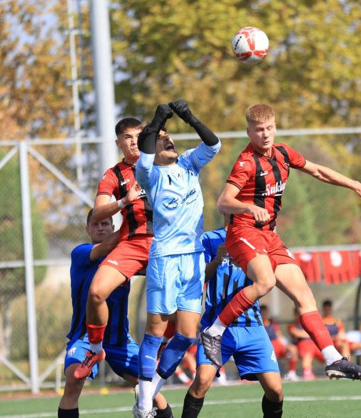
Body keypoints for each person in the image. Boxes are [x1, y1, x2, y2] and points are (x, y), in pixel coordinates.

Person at [200, 103, 361, 380]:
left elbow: (319, 171)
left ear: (275, 126)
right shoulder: (246, 162)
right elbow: (223, 201)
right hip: (243, 232)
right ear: (249, 131)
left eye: (269, 128)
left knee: (304, 295)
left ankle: (333, 358)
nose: (265, 134)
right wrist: (249, 208)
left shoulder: (284, 153)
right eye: (259, 130)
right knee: (265, 282)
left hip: (269, 235)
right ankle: (214, 331)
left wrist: (356, 184)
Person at [131, 100, 221, 418]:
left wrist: (190, 117)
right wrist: (156, 120)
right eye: (161, 138)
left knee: (185, 335)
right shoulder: (149, 175)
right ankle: (144, 406)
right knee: (156, 333)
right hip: (165, 259)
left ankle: (148, 394)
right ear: (151, 148)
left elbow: (213, 143)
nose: (168, 140)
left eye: (170, 137)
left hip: (194, 261)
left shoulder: (188, 164)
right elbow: (143, 151)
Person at [58, 211, 171, 418]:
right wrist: (135, 226)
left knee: (150, 387)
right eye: (95, 224)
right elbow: (106, 247)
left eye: (105, 224)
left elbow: (155, 266)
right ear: (87, 229)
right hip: (85, 337)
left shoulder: (127, 258)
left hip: (119, 340)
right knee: (73, 380)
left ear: (112, 227)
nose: (100, 228)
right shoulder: (81, 253)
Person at [77, 117, 152, 379]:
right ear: (118, 142)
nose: (134, 142)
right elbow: (98, 211)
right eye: (128, 137)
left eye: (138, 136)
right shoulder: (114, 175)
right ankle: (95, 349)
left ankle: (198, 338)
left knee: (181, 305)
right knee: (96, 292)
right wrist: (123, 201)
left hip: (163, 243)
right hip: (131, 243)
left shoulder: (161, 163)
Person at [182, 226, 284, 418]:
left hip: (251, 326)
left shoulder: (260, 238)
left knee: (275, 391)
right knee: (202, 381)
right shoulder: (209, 239)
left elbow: (269, 278)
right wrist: (217, 259)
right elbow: (195, 278)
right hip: (215, 328)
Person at [260, 304, 299, 381]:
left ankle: (292, 373)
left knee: (293, 348)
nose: (264, 314)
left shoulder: (272, 323)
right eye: (262, 312)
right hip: (266, 348)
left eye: (265, 312)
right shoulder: (258, 324)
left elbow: (279, 335)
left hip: (277, 346)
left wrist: (285, 343)